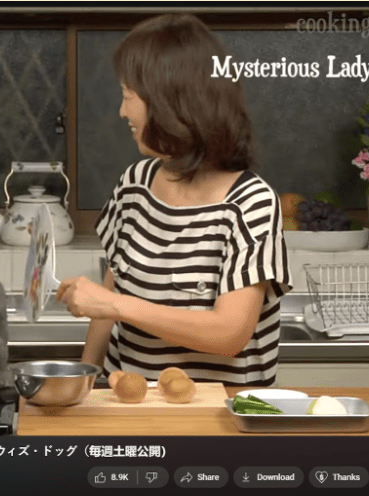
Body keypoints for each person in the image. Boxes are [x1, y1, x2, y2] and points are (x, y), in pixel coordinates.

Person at [56, 13, 292, 386]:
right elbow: (114, 287)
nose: (122, 112)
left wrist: (113, 304)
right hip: (130, 408)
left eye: (127, 96)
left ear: (169, 105)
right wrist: (86, 383)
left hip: (218, 423)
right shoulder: (133, 186)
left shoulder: (250, 203)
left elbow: (229, 334)